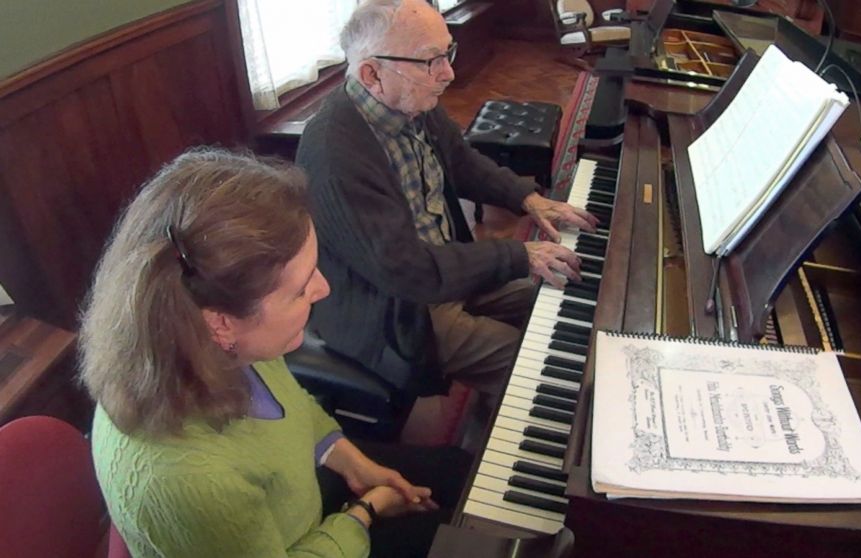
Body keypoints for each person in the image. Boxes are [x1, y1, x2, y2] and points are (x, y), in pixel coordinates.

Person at [79, 148, 469, 558]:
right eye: (302, 288)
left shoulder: (223, 341)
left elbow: (293, 407)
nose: (324, 289)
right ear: (221, 322)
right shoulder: (193, 481)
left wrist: (352, 461)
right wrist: (364, 513)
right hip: (302, 537)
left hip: (296, 494)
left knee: (458, 471)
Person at [296, 0, 599, 397]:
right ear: (372, 73)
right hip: (395, 310)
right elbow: (407, 272)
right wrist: (520, 255)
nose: (449, 73)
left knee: (569, 295)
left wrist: (528, 199)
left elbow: (461, 161)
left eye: (447, 53)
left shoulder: (409, 101)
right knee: (541, 367)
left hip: (445, 270)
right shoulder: (336, 156)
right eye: (431, 61)